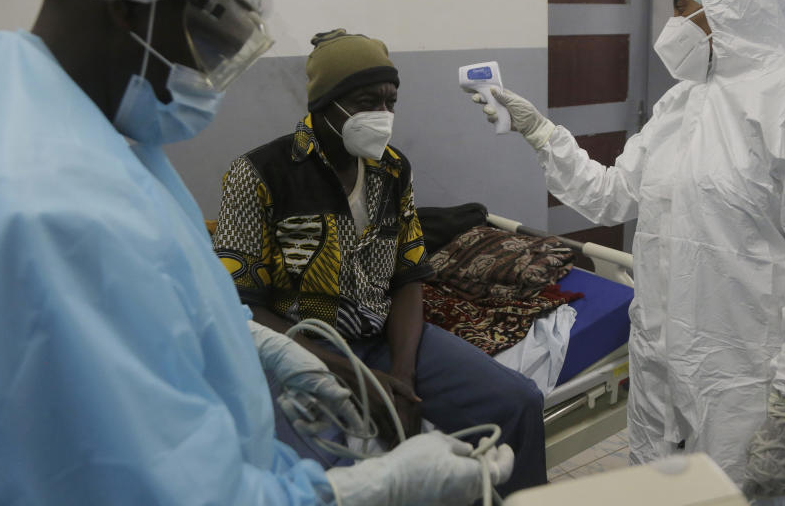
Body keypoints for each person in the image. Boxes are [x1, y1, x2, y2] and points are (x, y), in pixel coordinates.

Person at [0, 0, 511, 506]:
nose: (213, 77)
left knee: (507, 400)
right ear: (127, 6)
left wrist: (279, 357)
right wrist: (381, 486)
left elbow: (182, 303)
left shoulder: (102, 140)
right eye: (215, 42)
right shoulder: (50, 207)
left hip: (327, 369)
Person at [471, 0, 785, 505]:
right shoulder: (682, 105)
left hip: (747, 381)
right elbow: (611, 195)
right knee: (660, 491)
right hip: (660, 361)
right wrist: (540, 132)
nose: (671, 23)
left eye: (679, 7)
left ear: (730, 7)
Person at [212, 28, 548, 495]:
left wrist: (404, 379)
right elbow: (242, 306)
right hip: (299, 351)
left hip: (383, 338)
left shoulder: (391, 169)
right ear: (326, 103)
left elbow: (408, 276)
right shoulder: (259, 175)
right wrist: (354, 375)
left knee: (517, 401)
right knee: (317, 465)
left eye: (391, 101)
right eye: (367, 101)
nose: (382, 115)